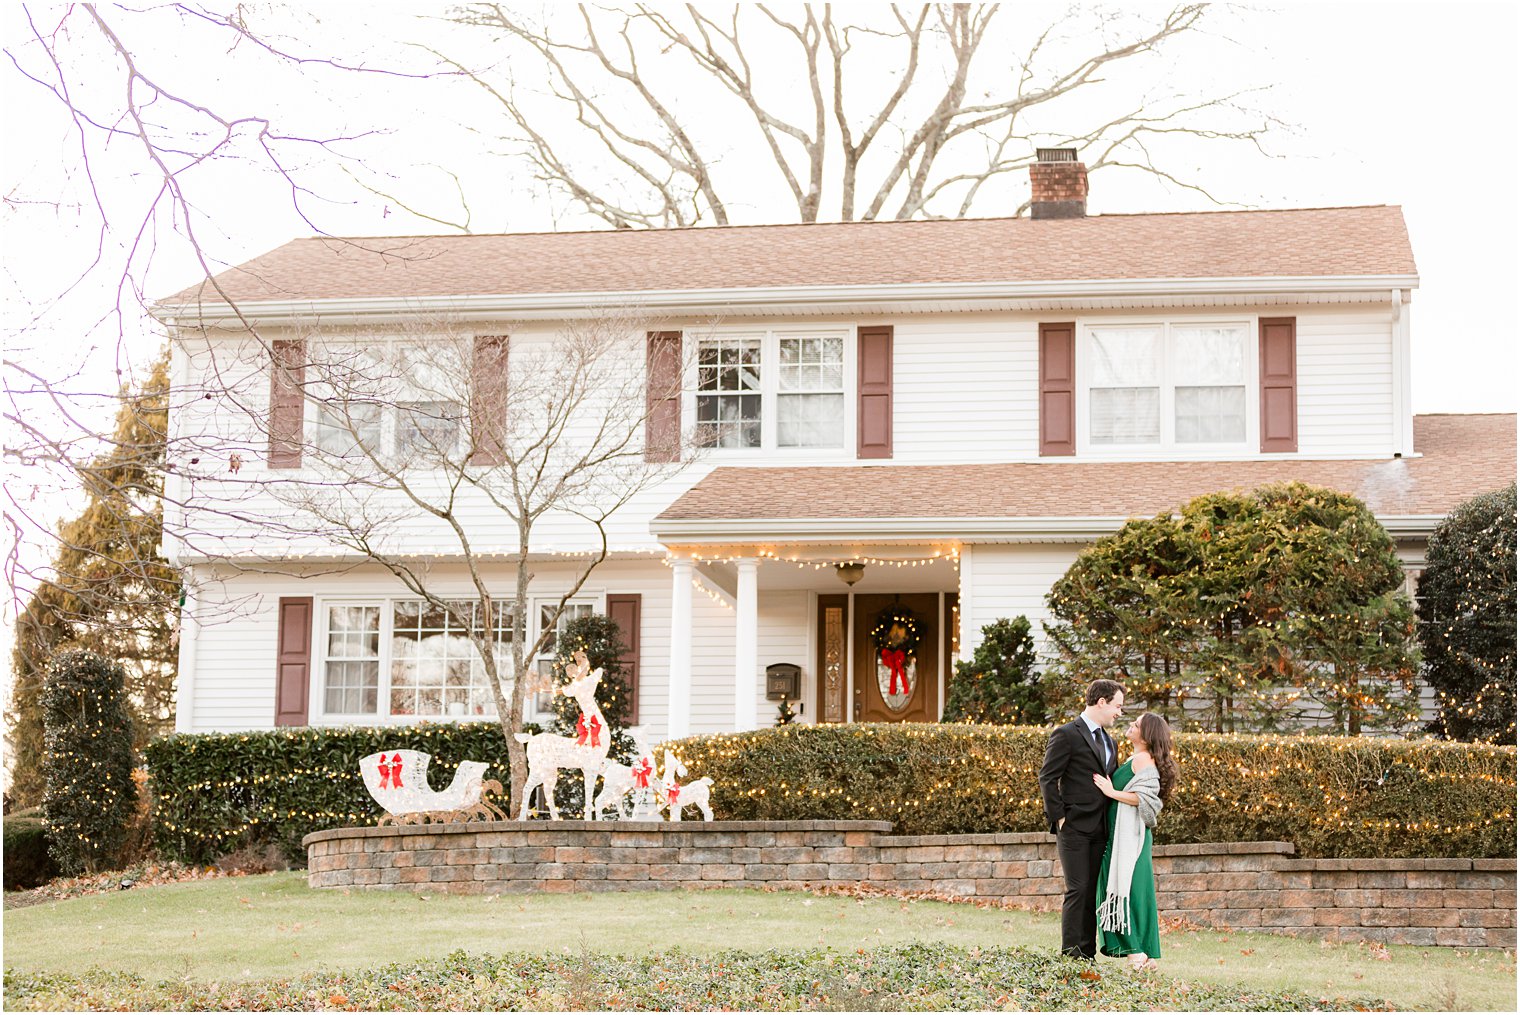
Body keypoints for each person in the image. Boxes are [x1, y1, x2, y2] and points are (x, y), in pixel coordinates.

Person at [1039, 678, 1125, 960]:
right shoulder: (1066, 734)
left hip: (1100, 828)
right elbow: (1048, 778)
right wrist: (1060, 818)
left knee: (1091, 893)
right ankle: (1071, 956)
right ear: (1101, 702)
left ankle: (1087, 956)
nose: (1119, 713)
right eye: (1117, 706)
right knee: (1077, 889)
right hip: (1074, 827)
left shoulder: (1110, 741)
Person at [1093, 712, 1179, 972]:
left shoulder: (1143, 759)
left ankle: (1136, 954)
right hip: (1122, 836)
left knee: (1124, 891)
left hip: (1129, 839)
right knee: (1131, 892)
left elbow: (1146, 799)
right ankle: (1143, 953)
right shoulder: (1135, 757)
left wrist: (1111, 792)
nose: (1130, 725)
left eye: (1137, 725)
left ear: (1147, 735)